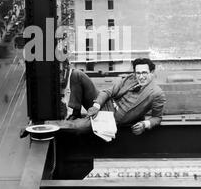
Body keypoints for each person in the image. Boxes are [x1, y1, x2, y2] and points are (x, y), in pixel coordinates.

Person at [22, 58, 166, 137]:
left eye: (144, 73)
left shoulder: (156, 93)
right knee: (77, 74)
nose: (140, 76)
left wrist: (145, 124)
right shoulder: (130, 78)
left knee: (77, 127)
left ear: (152, 72)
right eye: (138, 73)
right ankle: (75, 112)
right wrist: (96, 105)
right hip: (105, 105)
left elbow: (157, 118)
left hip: (111, 120)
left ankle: (37, 125)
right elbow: (108, 92)